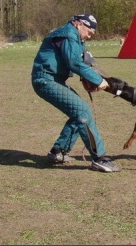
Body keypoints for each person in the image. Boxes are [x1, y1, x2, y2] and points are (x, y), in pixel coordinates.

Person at [31, 14, 121, 172]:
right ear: (79, 24)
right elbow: (73, 61)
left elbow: (84, 62)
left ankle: (58, 152)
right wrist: (99, 81)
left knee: (78, 113)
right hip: (45, 80)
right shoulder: (68, 33)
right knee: (82, 111)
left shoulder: (77, 39)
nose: (90, 35)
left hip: (55, 80)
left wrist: (92, 79)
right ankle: (99, 158)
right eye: (89, 31)